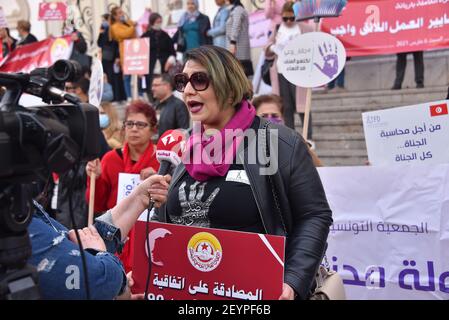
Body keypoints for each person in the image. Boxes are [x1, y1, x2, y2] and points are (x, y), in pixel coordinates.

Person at [156, 45, 332, 300]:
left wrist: (292, 282)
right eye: (183, 81)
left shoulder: (275, 143)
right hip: (191, 292)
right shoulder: (186, 145)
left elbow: (315, 215)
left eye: (200, 80)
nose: (189, 90)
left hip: (258, 293)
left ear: (229, 88)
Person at [29, 173, 170, 299]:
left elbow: (85, 242)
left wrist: (139, 199)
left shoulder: (25, 209)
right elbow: (100, 280)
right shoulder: (20, 223)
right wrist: (101, 256)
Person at [86, 100, 160, 273]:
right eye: (130, 124)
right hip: (115, 236)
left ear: (153, 130)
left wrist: (158, 175)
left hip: (148, 237)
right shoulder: (110, 159)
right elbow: (96, 205)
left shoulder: (162, 161)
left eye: (141, 124)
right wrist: (94, 179)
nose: (134, 129)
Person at [265, 2, 314, 143]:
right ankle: (291, 138)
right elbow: (267, 47)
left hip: (299, 72)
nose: (288, 21)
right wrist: (273, 47)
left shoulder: (305, 28)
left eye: (291, 18)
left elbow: (314, 45)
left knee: (303, 105)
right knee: (286, 108)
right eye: (285, 18)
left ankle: (308, 138)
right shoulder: (278, 28)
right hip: (281, 72)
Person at [253, 94, 323, 166]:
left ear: (283, 118)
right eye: (264, 116)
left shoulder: (293, 144)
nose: (269, 120)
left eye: (275, 116)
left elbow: (319, 169)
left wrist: (306, 150)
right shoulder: (247, 145)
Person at [141, 12, 177, 101]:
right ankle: (153, 103)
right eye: (157, 21)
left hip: (163, 65)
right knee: (150, 84)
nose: (159, 23)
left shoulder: (165, 35)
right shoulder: (145, 36)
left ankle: (164, 101)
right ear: (152, 22)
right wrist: (140, 69)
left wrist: (170, 60)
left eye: (160, 21)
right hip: (150, 66)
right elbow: (141, 53)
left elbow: (172, 51)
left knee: (163, 83)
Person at [97, 13, 126, 102]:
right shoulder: (104, 30)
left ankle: (118, 97)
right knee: (108, 78)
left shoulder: (113, 29)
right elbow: (100, 43)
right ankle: (112, 97)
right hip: (106, 58)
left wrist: (117, 56)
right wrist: (101, 33)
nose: (103, 22)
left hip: (113, 58)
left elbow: (117, 43)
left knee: (116, 78)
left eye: (105, 20)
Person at [109, 6, 137, 100]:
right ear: (115, 16)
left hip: (136, 49)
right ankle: (129, 97)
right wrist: (133, 27)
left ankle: (140, 94)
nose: (122, 14)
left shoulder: (126, 23)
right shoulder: (114, 27)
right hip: (126, 52)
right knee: (127, 76)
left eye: (122, 12)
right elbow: (125, 34)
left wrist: (132, 24)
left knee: (139, 72)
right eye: (120, 13)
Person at [151, 73, 190, 138]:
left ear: (167, 86)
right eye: (152, 86)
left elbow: (183, 132)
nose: (152, 88)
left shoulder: (179, 105)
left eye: (156, 85)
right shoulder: (154, 106)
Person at [226, 0, 253, 77]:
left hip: (238, 48)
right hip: (237, 47)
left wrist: (232, 42)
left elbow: (236, 25)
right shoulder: (235, 9)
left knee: (241, 75)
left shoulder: (238, 10)